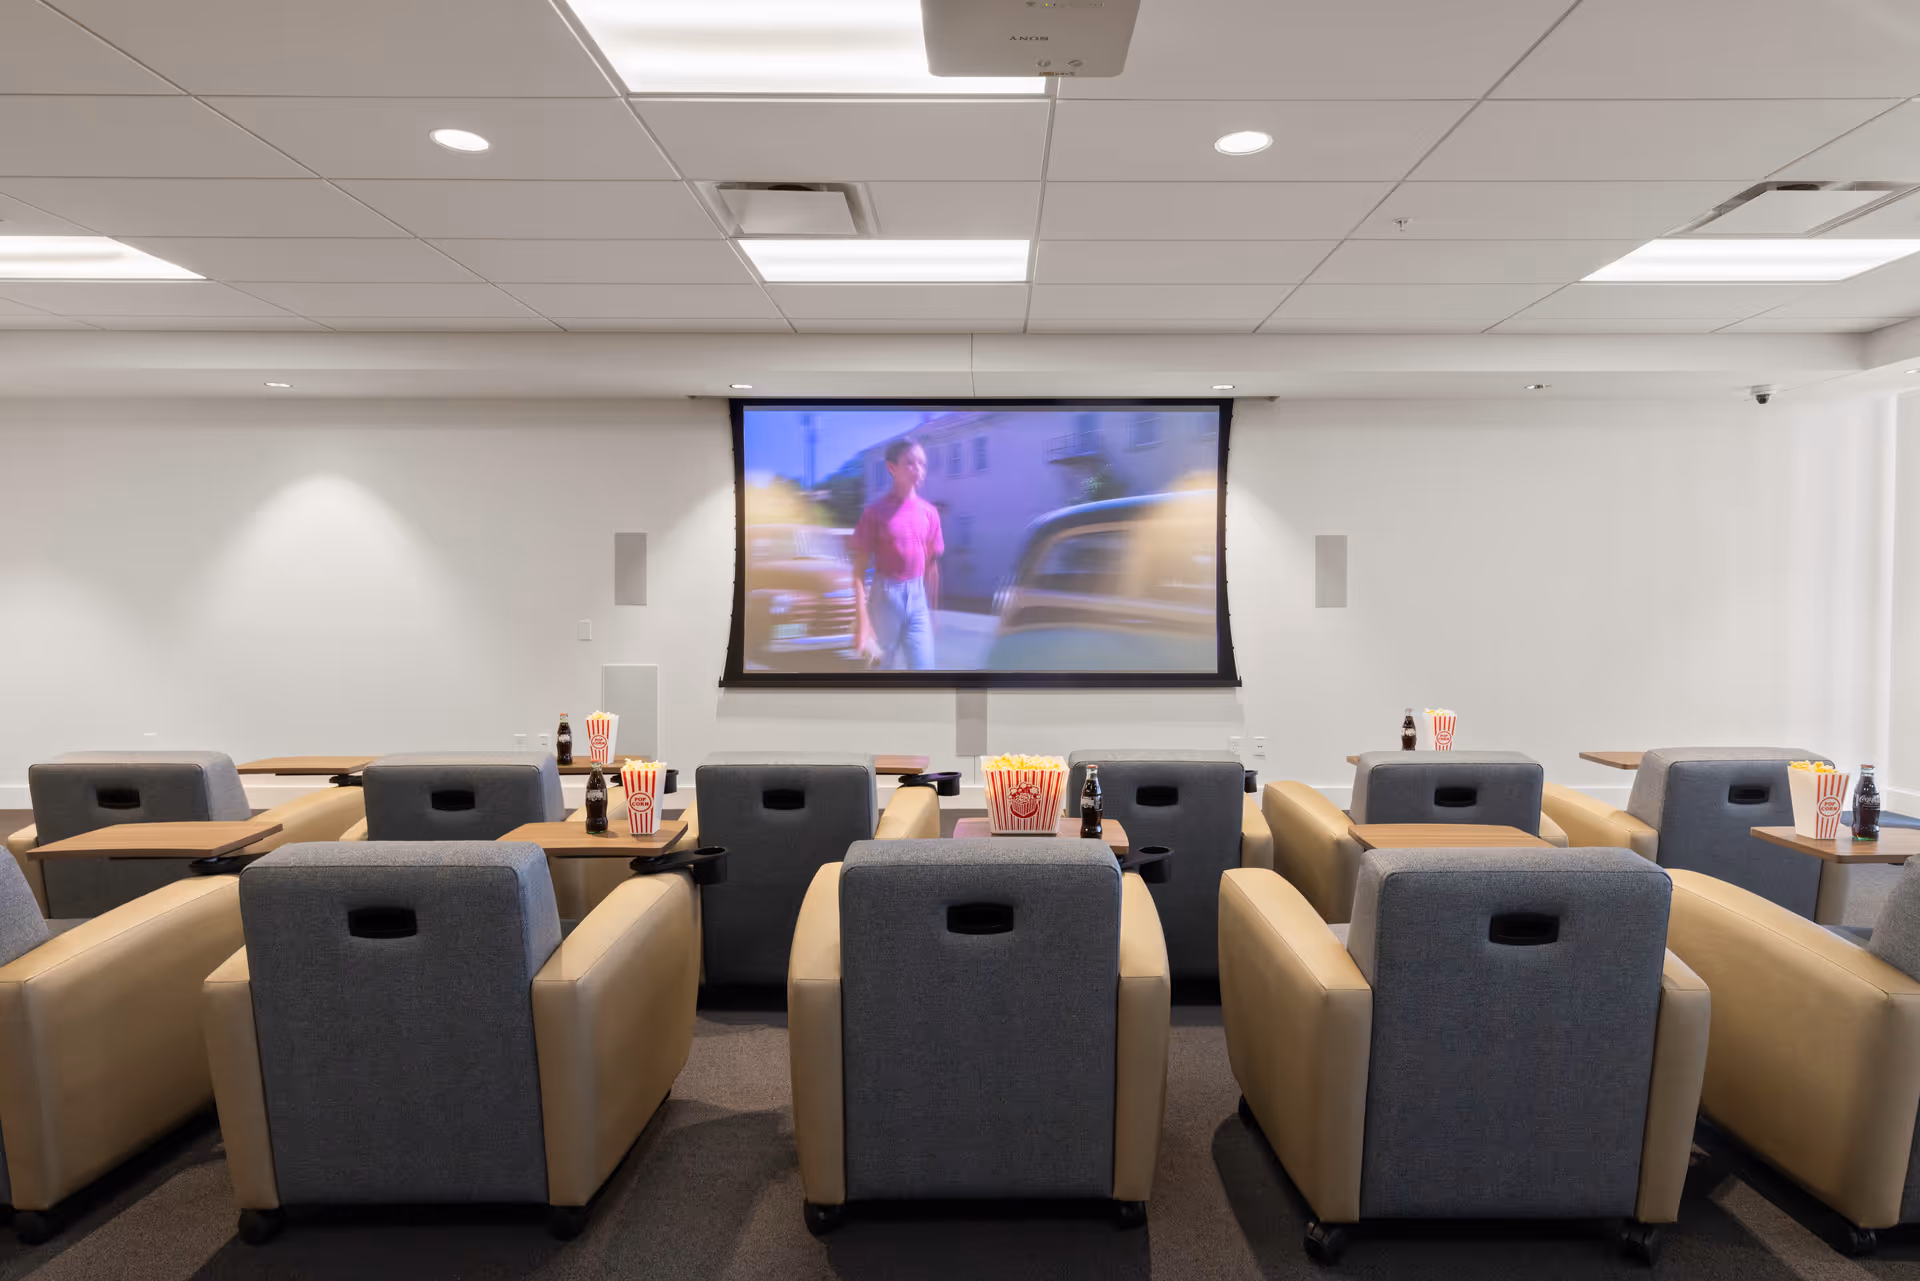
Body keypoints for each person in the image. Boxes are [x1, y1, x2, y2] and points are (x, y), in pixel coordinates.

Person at [850, 437, 943, 670]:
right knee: (880, 670)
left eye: (922, 464)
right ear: (892, 468)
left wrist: (932, 611)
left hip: (918, 600)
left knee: (924, 669)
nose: (918, 469)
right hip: (885, 599)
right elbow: (858, 571)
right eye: (910, 463)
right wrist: (863, 620)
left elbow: (932, 566)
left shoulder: (930, 513)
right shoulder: (874, 513)